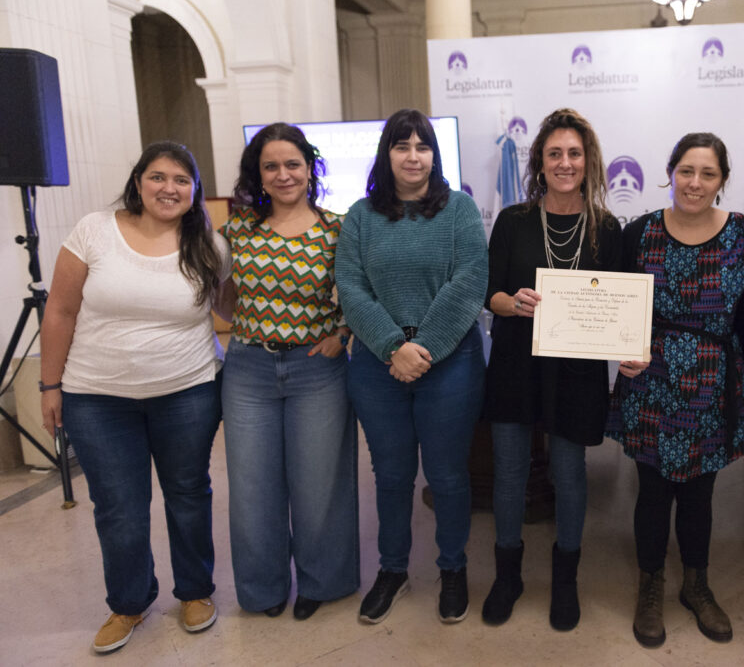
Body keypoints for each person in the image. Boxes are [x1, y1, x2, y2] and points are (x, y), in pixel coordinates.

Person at [39, 142, 229, 653]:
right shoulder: (94, 231)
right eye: (158, 177)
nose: (169, 188)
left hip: (187, 391)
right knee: (119, 508)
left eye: (181, 181)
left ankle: (194, 592)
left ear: (195, 191)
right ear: (139, 181)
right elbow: (58, 311)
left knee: (189, 496)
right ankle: (128, 603)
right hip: (96, 398)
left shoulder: (208, 244)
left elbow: (229, 308)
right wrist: (49, 384)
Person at [337, 108, 488, 625]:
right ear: (387, 154)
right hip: (378, 366)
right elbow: (351, 290)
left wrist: (422, 348)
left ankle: (452, 568)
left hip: (449, 364)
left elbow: (470, 281)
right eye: (402, 146)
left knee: (447, 476)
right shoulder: (359, 216)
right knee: (393, 475)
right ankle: (393, 570)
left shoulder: (460, 210)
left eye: (422, 146)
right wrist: (389, 346)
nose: (413, 156)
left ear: (434, 155)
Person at [607, 132, 744, 648]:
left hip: (714, 381)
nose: (695, 183)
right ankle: (651, 584)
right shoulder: (639, 232)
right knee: (651, 491)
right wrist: (619, 352)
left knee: (700, 493)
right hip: (651, 378)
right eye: (687, 170)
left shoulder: (743, 236)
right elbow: (618, 305)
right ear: (671, 171)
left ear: (722, 181)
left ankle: (697, 584)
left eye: (708, 173)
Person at [481, 108, 622, 631]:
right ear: (540, 161)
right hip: (516, 362)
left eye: (574, 154)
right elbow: (487, 292)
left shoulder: (607, 228)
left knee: (569, 475)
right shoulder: (513, 221)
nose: (565, 163)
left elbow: (623, 306)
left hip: (578, 373)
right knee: (510, 473)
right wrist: (511, 302)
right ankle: (508, 576)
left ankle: (566, 581)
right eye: (555, 153)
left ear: (589, 162)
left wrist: (627, 343)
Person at [220, 122, 358, 621]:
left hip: (315, 370)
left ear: (310, 167)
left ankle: (323, 583)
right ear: (258, 174)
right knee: (252, 487)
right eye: (271, 166)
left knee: (320, 484)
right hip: (249, 370)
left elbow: (360, 291)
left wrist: (341, 334)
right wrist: (242, 324)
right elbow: (217, 288)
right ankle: (263, 591)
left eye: (292, 164)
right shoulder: (238, 227)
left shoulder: (338, 228)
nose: (283, 174)